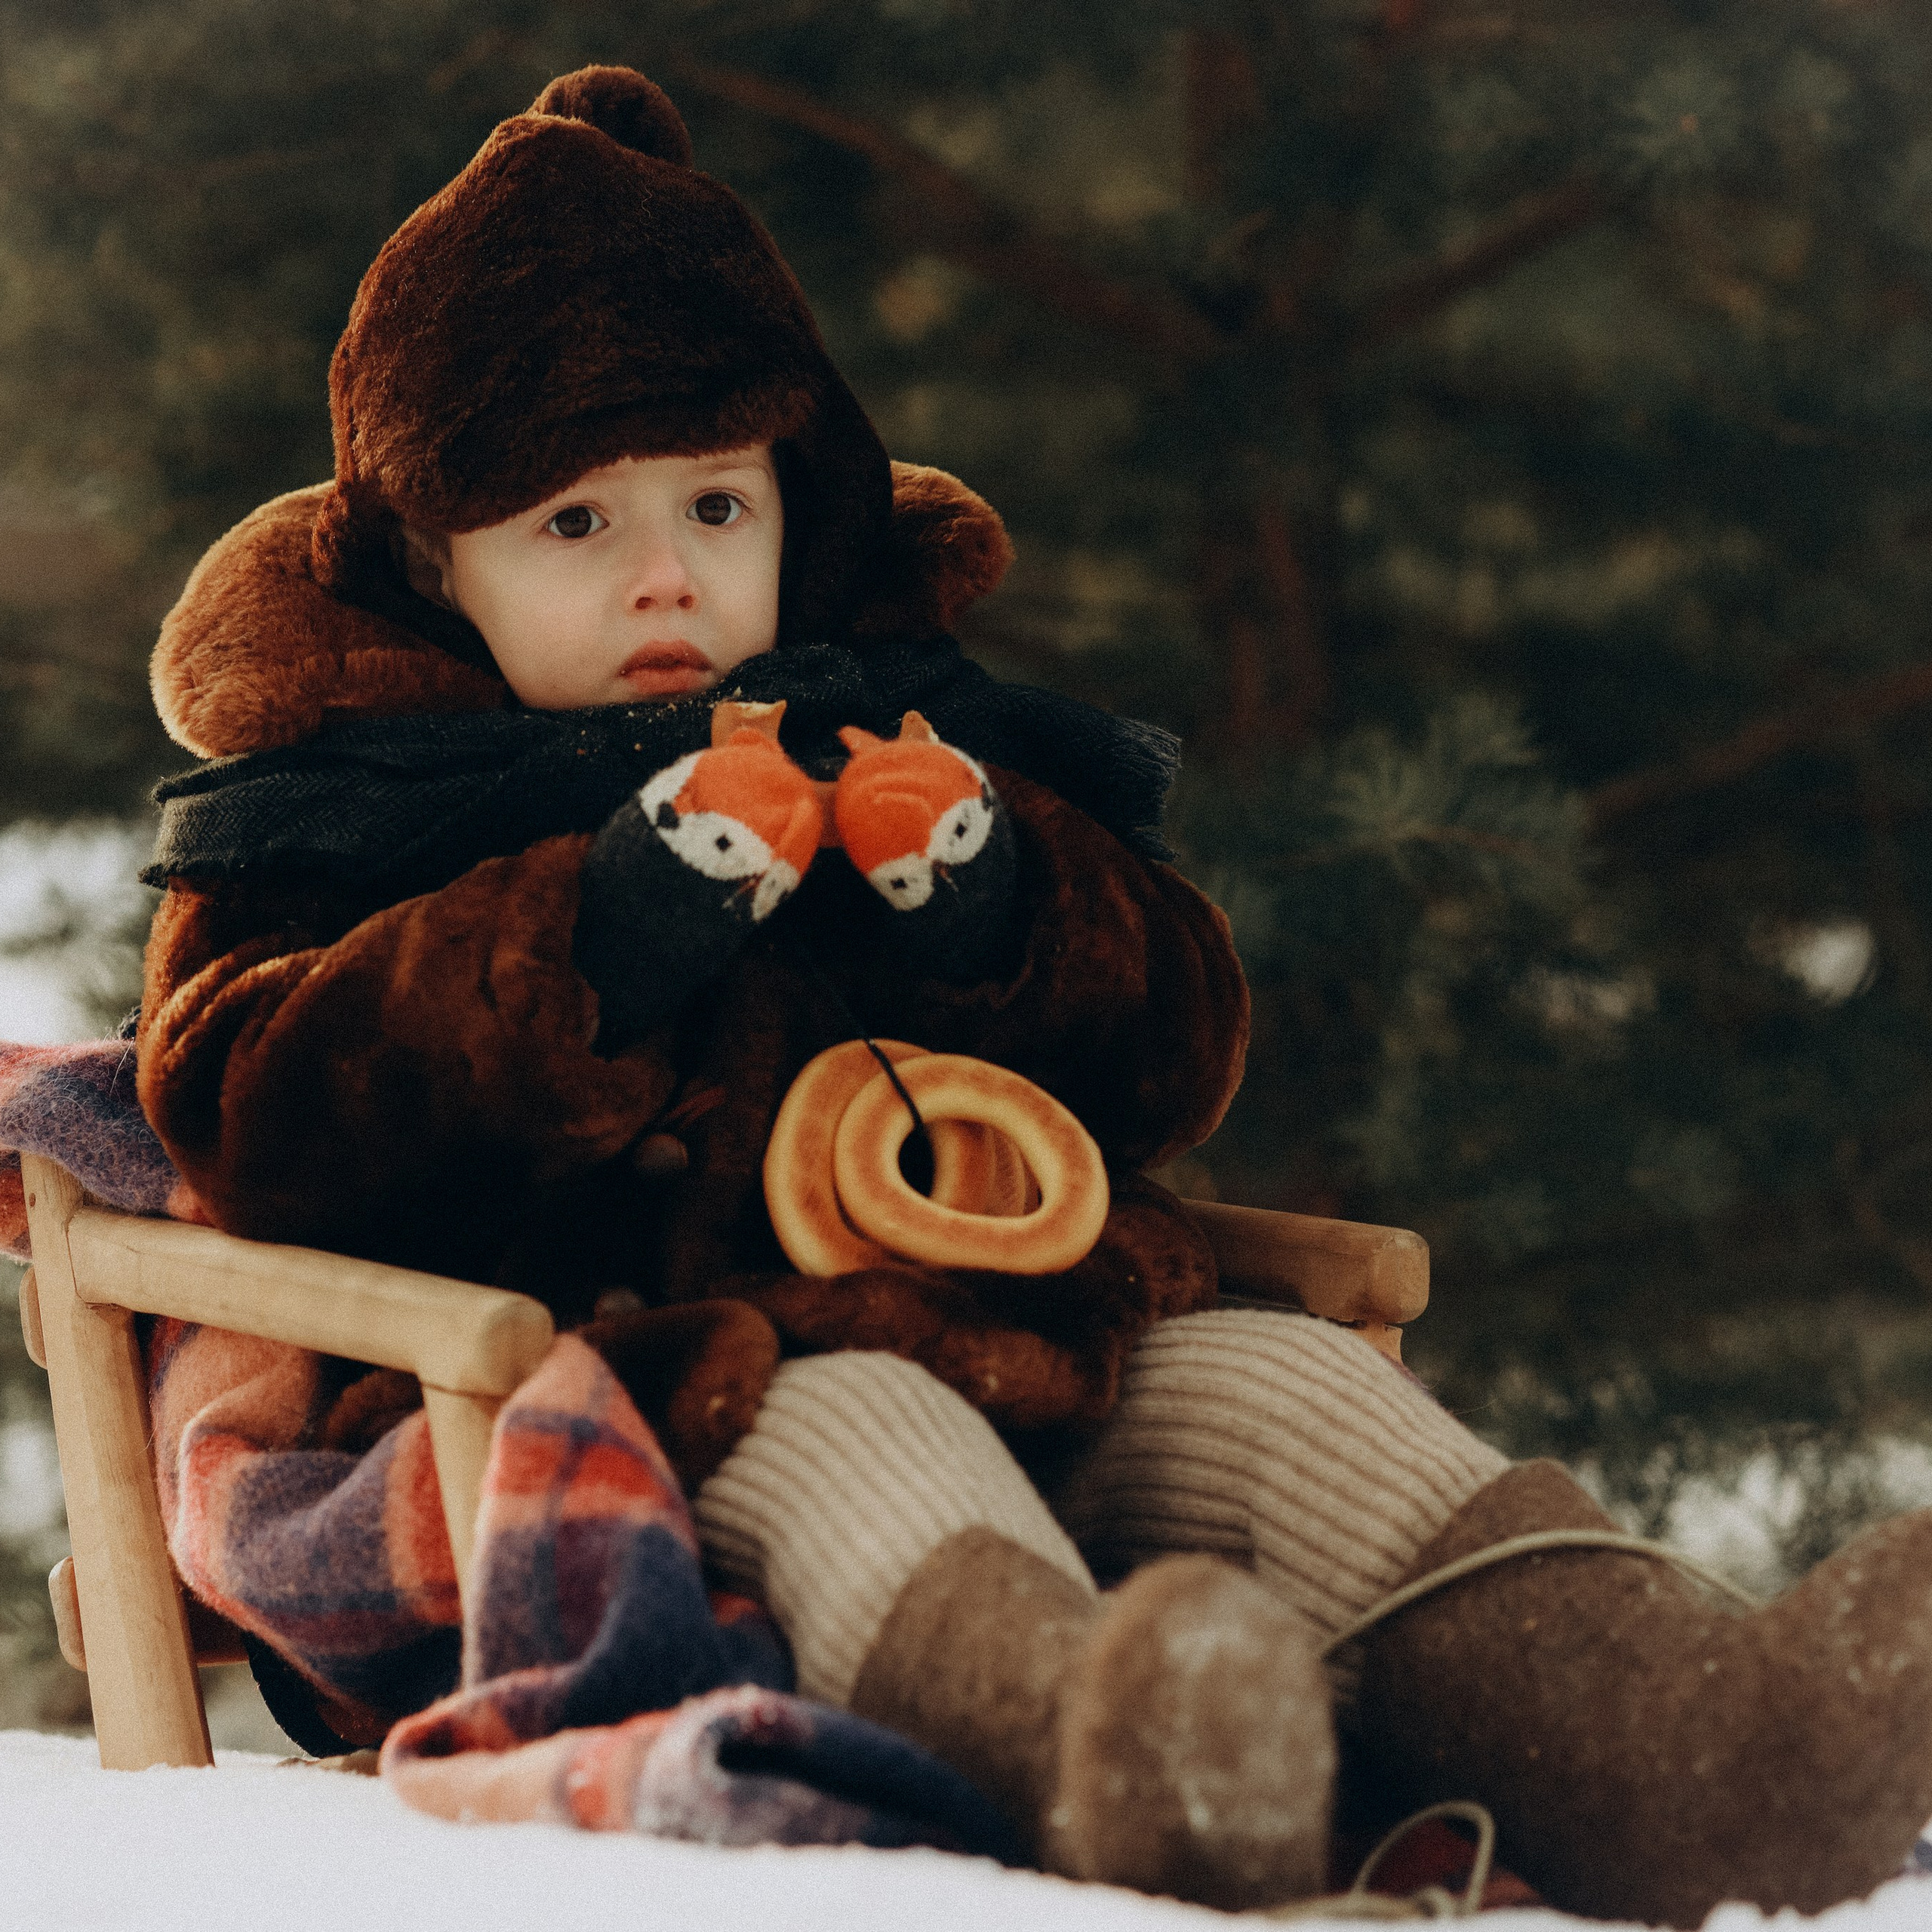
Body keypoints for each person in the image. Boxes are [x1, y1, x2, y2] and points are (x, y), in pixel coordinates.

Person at [135, 66, 1932, 1926]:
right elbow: (257, 1120)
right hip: (666, 1381)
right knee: (868, 1441)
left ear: (792, 508)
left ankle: (1704, 1739)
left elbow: (1174, 1057)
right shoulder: (346, 793)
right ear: (442, 556)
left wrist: (987, 888)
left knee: (1294, 1390)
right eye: (574, 526)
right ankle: (1142, 1778)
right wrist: (609, 922)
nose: (666, 572)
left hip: (1032, 1319)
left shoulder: (899, 711)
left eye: (716, 505)